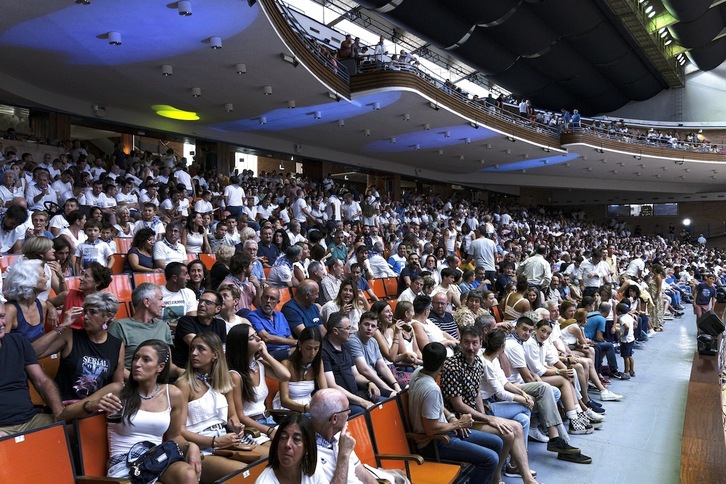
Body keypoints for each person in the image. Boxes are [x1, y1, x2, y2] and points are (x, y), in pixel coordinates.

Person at [57, 340, 202, 482]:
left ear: (160, 367)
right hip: (124, 464)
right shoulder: (118, 390)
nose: (137, 364)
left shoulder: (173, 394)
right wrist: (91, 405)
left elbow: (174, 437)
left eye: (146, 360)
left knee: (188, 474)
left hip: (155, 461)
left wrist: (192, 446)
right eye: (135, 358)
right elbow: (63, 415)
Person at [441, 325, 536, 484]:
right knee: (507, 434)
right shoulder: (452, 366)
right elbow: (458, 405)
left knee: (518, 427)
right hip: (460, 421)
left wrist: (484, 416)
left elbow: (476, 391)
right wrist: (487, 419)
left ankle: (526, 478)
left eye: (474, 343)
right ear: (460, 342)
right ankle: (496, 477)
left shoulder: (477, 361)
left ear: (480, 343)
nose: (470, 347)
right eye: (466, 342)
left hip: (474, 416)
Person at [408, 341, 503, 484]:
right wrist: (459, 424)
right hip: (434, 443)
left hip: (444, 433)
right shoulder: (431, 389)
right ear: (442, 365)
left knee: (497, 442)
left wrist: (451, 417)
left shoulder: (417, 373)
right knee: (490, 459)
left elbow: (435, 407)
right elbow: (431, 429)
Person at [176, 332, 248, 484]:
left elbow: (232, 417)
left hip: (225, 441)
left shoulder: (223, 381)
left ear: (215, 355)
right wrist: (215, 441)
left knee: (268, 459)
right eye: (192, 349)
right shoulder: (184, 384)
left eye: (200, 349)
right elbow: (179, 431)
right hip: (199, 448)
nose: (194, 353)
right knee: (244, 474)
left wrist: (237, 427)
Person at [32, 292, 124, 403]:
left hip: (96, 408)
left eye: (92, 312)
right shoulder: (70, 336)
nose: (85, 317)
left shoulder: (117, 345)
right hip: (65, 406)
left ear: (108, 316)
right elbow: (32, 353)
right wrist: (62, 326)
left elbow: (118, 386)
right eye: (85, 312)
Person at [0, 301, 64, 436]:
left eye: (2, 316)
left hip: (31, 419)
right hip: (2, 428)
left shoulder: (18, 342)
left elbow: (42, 381)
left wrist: (59, 412)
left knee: (71, 429)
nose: (2, 323)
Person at [226, 324, 290, 440]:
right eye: (251, 338)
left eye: (256, 335)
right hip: (252, 428)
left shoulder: (260, 365)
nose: (258, 339)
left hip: (268, 420)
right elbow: (240, 415)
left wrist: (266, 355)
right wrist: (268, 430)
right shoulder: (235, 375)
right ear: (241, 345)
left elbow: (285, 376)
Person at [308, 388, 377, 484]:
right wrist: (343, 455)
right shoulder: (308, 454)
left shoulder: (340, 437)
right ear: (335, 418)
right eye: (347, 410)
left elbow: (365, 477)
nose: (349, 413)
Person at [108, 283, 174, 376]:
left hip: (160, 384)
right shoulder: (119, 327)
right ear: (147, 302)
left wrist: (183, 373)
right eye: (160, 299)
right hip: (132, 384)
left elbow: (169, 365)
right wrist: (139, 381)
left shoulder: (163, 327)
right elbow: (112, 364)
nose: (164, 305)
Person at [321, 312, 376, 415]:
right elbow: (332, 385)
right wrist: (362, 402)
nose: (351, 332)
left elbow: (356, 375)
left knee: (384, 401)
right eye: (348, 328)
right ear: (335, 331)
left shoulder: (345, 344)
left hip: (356, 395)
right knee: (367, 412)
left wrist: (369, 383)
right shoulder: (323, 351)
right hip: (340, 403)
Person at [256, 413, 327, 483]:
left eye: (296, 439)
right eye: (283, 437)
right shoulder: (264, 481)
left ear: (307, 448)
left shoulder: (314, 471)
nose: (287, 444)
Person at [348, 311, 402, 399]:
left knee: (405, 390)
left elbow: (382, 366)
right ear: (359, 325)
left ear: (376, 329)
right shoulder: (352, 340)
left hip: (376, 380)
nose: (369, 328)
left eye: (373, 326)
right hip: (365, 384)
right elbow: (364, 370)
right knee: (395, 397)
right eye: (366, 324)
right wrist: (388, 389)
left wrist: (395, 385)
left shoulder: (373, 341)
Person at [273, 327, 327, 412]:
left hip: (309, 405)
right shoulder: (287, 364)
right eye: (308, 348)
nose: (312, 353)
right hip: (288, 409)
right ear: (300, 344)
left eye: (316, 348)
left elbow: (324, 392)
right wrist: (307, 409)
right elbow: (284, 401)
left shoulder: (318, 363)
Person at [172, 290, 227, 369]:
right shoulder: (186, 321)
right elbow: (198, 345)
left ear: (218, 309)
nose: (201, 304)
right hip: (186, 369)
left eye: (207, 302)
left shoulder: (220, 324)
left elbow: (223, 349)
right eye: (200, 301)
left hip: (211, 369)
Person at [5, 259, 51, 342]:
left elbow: (41, 340)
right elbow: (3, 345)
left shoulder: (42, 305)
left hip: (36, 353)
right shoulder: (10, 310)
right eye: (44, 275)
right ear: (31, 281)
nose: (47, 278)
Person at [247, 286, 296, 361]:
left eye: (272, 298)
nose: (268, 301)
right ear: (261, 298)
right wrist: (297, 342)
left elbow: (289, 337)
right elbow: (266, 338)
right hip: (269, 354)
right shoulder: (253, 316)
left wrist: (297, 344)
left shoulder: (280, 315)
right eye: (266, 297)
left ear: (277, 302)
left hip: (287, 350)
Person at [161, 262, 198, 330]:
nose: (189, 278)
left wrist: (168, 325)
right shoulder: (158, 293)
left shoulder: (189, 293)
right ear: (175, 278)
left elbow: (192, 321)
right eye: (185, 274)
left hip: (183, 334)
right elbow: (153, 322)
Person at [616, 302, 636, 378]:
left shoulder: (622, 318)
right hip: (631, 338)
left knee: (625, 356)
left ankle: (626, 372)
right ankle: (632, 370)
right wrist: (633, 329)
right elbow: (635, 322)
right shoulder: (628, 316)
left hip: (626, 340)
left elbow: (626, 326)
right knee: (630, 355)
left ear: (619, 312)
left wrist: (624, 334)